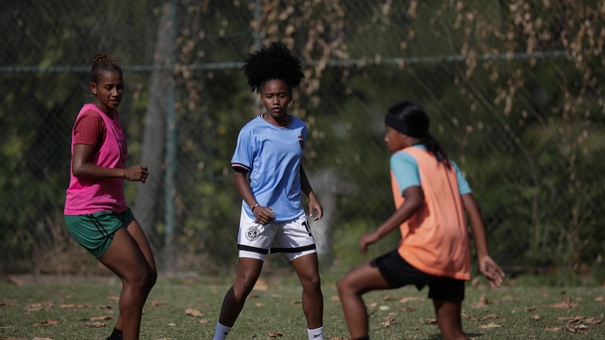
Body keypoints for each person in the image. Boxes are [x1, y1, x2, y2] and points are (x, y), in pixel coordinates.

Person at [337, 101, 505, 340]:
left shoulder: (403, 158)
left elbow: (414, 199)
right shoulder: (446, 162)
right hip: (454, 252)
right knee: (453, 333)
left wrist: (377, 234)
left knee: (348, 286)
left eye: (389, 132)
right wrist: (484, 254)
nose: (386, 138)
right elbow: (472, 207)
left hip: (425, 247)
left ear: (403, 135)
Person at [213, 42, 325, 340]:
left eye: (282, 95)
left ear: (290, 95)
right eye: (269, 96)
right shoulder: (251, 131)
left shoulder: (300, 129)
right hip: (259, 215)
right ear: (260, 96)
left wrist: (310, 194)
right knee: (246, 281)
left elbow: (295, 166)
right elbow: (239, 176)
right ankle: (218, 337)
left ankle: (317, 338)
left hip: (292, 216)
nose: (276, 101)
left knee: (312, 280)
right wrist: (254, 207)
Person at [64, 54, 157, 340]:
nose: (115, 93)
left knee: (148, 274)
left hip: (114, 209)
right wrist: (124, 174)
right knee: (136, 277)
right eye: (108, 87)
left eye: (120, 87)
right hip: (89, 212)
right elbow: (79, 167)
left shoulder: (112, 115)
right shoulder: (92, 118)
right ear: (94, 88)